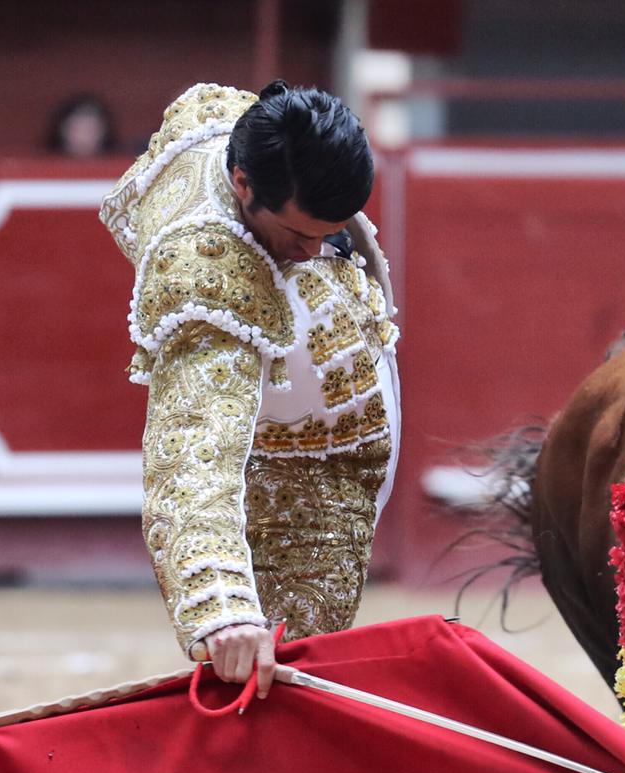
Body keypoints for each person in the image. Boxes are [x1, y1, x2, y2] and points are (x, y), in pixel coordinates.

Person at [100, 81, 400, 694]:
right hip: (283, 511)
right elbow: (192, 451)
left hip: (322, 471)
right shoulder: (207, 277)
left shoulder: (241, 126)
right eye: (299, 235)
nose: (316, 252)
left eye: (331, 232)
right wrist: (224, 604)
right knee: (276, 700)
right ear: (242, 184)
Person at [46, 93, 117, 157]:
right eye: (78, 128)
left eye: (91, 129)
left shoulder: (121, 166)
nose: (84, 136)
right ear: (62, 130)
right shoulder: (45, 163)